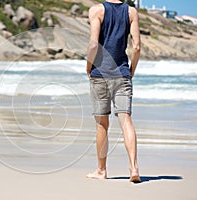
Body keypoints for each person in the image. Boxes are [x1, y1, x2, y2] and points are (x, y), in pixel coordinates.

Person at [85, 0, 141, 183]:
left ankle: (101, 170)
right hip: (122, 74)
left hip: (100, 74)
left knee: (102, 125)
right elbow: (137, 47)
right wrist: (131, 70)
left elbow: (93, 45)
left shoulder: (97, 10)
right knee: (126, 121)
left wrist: (88, 67)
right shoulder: (131, 12)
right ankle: (134, 167)